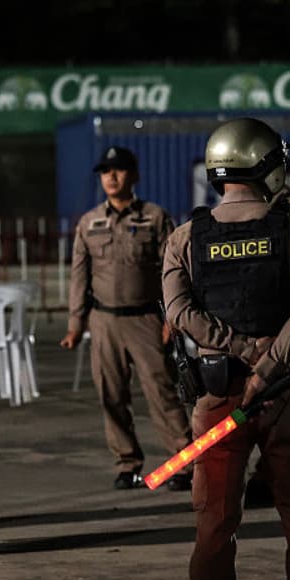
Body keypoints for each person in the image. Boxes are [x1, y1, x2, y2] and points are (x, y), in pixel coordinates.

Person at [163, 118, 290, 580]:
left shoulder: (185, 237)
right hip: (284, 396)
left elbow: (178, 312)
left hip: (216, 401)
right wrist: (268, 360)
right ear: (263, 163)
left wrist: (236, 348)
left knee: (214, 526)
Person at [60, 146, 192, 491]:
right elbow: (79, 276)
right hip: (104, 321)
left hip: (146, 319)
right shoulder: (89, 223)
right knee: (111, 394)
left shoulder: (155, 217)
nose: (112, 177)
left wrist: (173, 318)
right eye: (106, 172)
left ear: (134, 176)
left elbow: (173, 271)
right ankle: (128, 463)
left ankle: (184, 463)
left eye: (118, 171)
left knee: (162, 392)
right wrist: (76, 324)